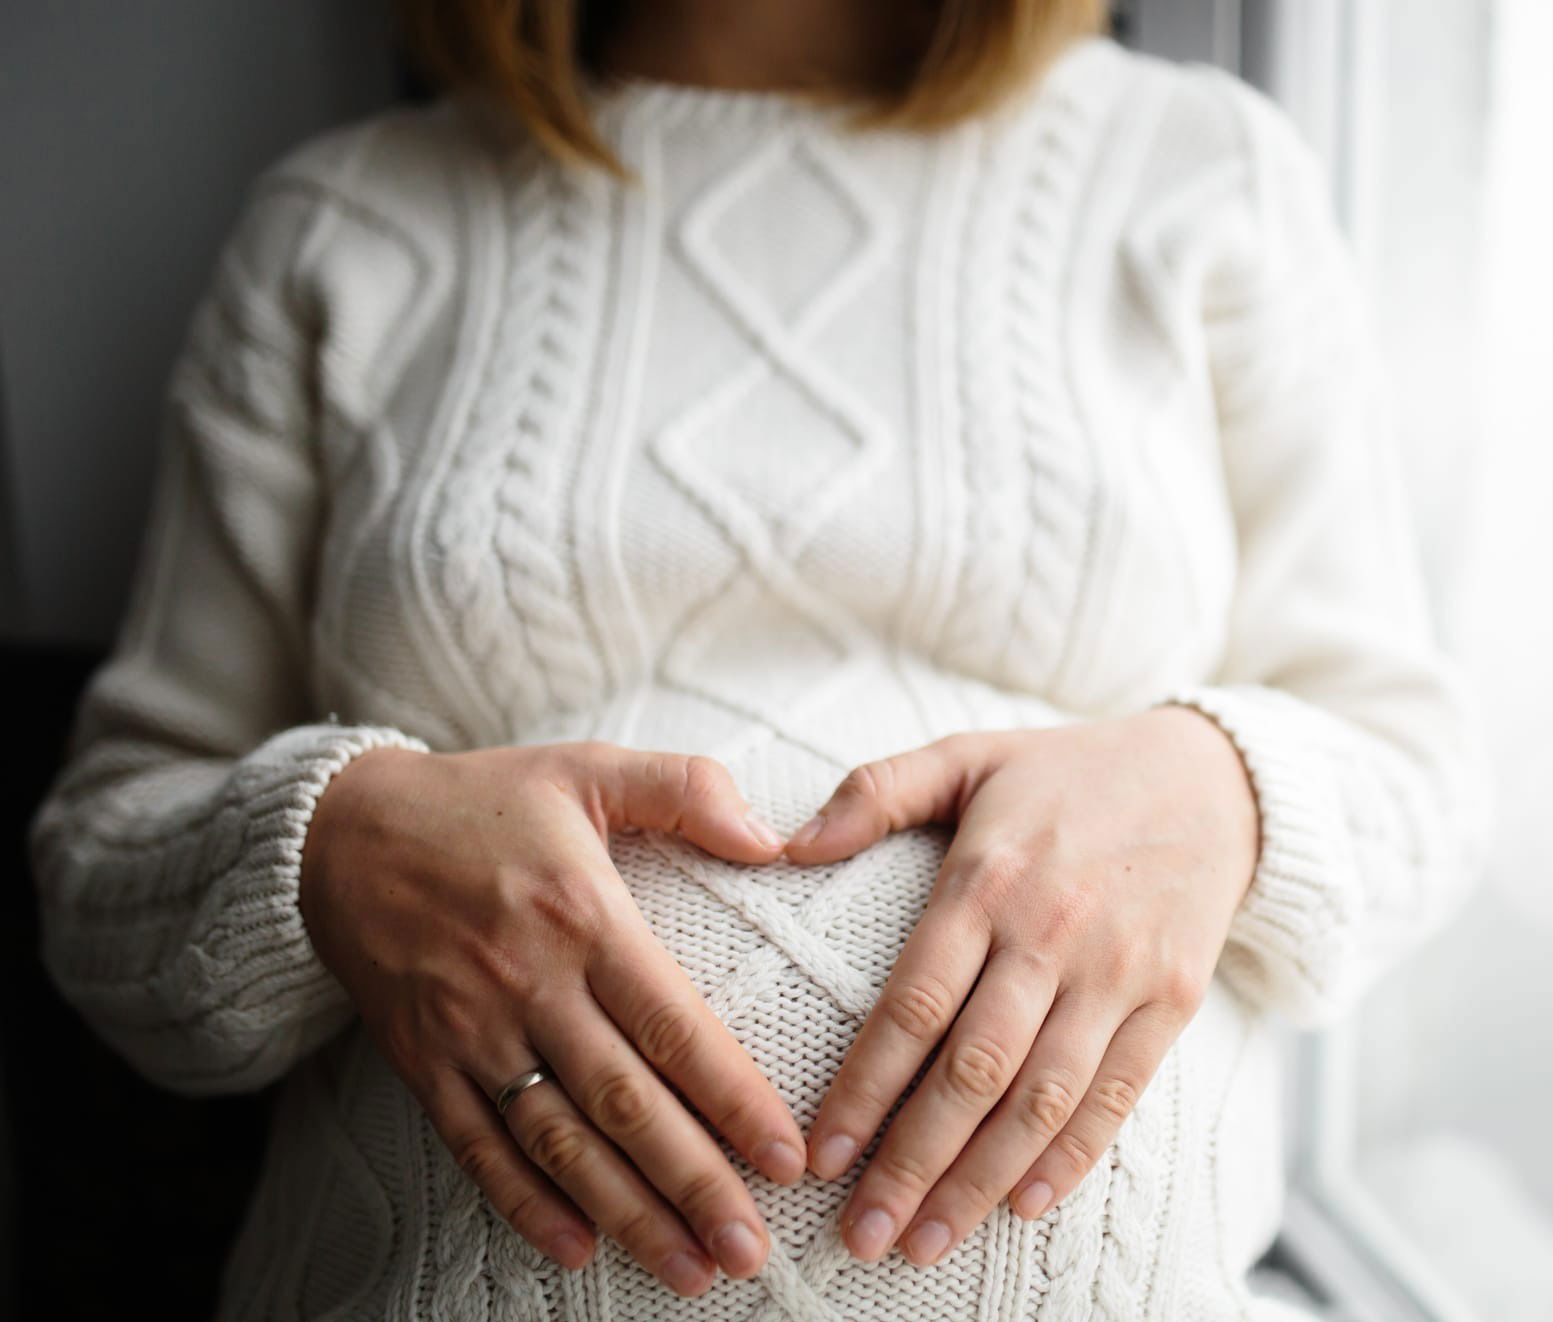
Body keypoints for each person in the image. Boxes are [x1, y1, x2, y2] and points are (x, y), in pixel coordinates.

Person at [26, 0, 1489, 1317]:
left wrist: (1217, 789)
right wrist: (334, 848)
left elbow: (1411, 773)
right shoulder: (344, 221)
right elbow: (104, 862)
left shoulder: (1205, 171)